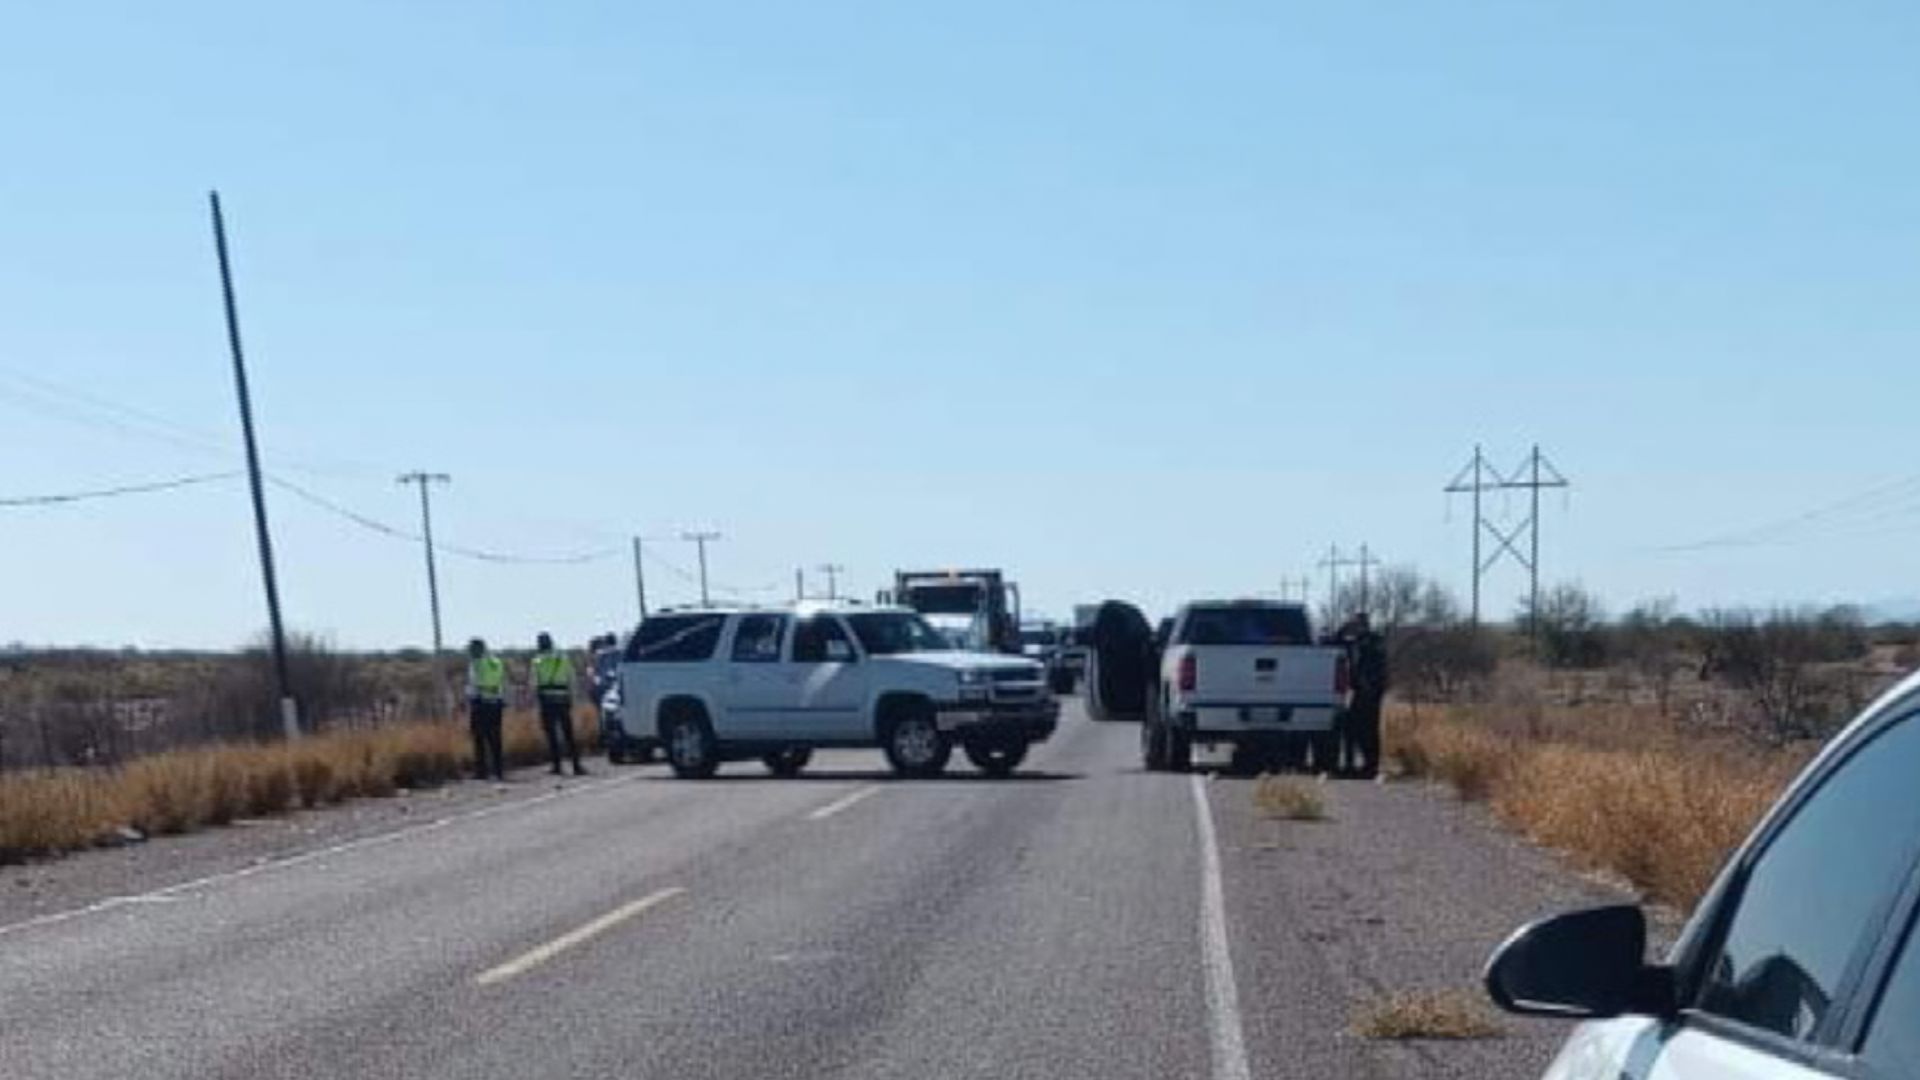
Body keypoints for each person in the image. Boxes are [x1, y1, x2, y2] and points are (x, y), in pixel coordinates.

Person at [532, 631, 586, 776]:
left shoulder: (537, 661)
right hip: (563, 700)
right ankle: (576, 765)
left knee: (552, 736)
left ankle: (557, 766)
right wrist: (573, 699)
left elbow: (534, 684)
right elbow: (572, 679)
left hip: (547, 702)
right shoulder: (563, 659)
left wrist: (535, 702)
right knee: (569, 734)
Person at [1345, 613, 1390, 779]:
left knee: (1369, 729)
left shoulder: (1374, 641)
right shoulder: (1355, 641)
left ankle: (1371, 765)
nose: (1356, 627)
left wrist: (1370, 684)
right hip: (1358, 691)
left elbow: (1378, 665)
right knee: (1354, 727)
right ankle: (1356, 764)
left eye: (1358, 624)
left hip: (1372, 691)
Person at [465, 637, 507, 781]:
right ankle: (498, 770)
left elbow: (473, 684)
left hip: (480, 703)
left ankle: (481, 771)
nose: (470, 651)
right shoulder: (495, 662)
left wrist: (469, 698)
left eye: (471, 649)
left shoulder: (476, 664)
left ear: (478, 649)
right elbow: (503, 682)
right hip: (496, 703)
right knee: (495, 738)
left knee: (479, 738)